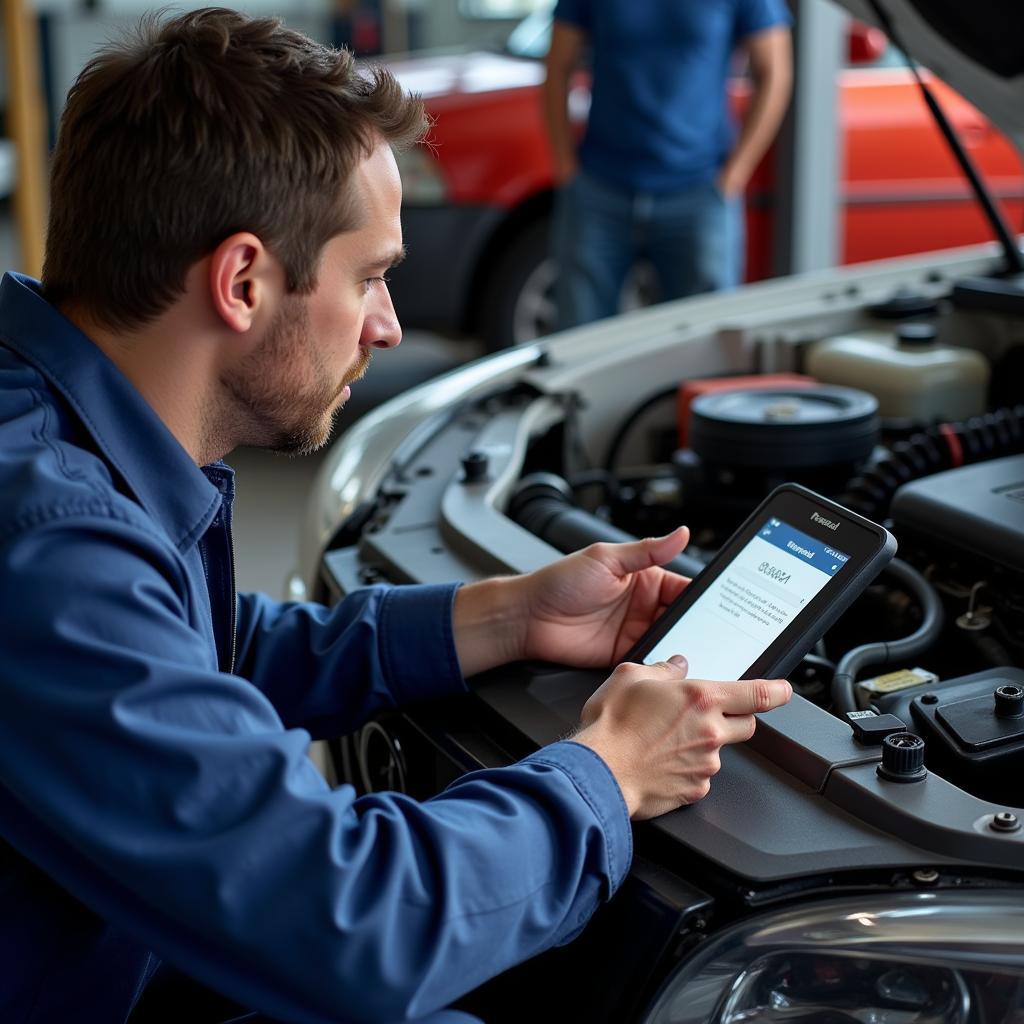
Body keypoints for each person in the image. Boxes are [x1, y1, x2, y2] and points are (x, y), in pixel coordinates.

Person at [0, 8, 792, 1023]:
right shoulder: (47, 543)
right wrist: (610, 768)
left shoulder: (54, 424)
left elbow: (188, 658)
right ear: (242, 280)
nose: (391, 325)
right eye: (371, 275)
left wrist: (505, 616)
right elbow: (357, 921)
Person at [543, 0, 793, 331]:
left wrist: (735, 174)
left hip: (699, 191)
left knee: (706, 343)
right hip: (599, 188)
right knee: (578, 336)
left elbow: (775, 71)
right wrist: (566, 166)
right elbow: (558, 67)